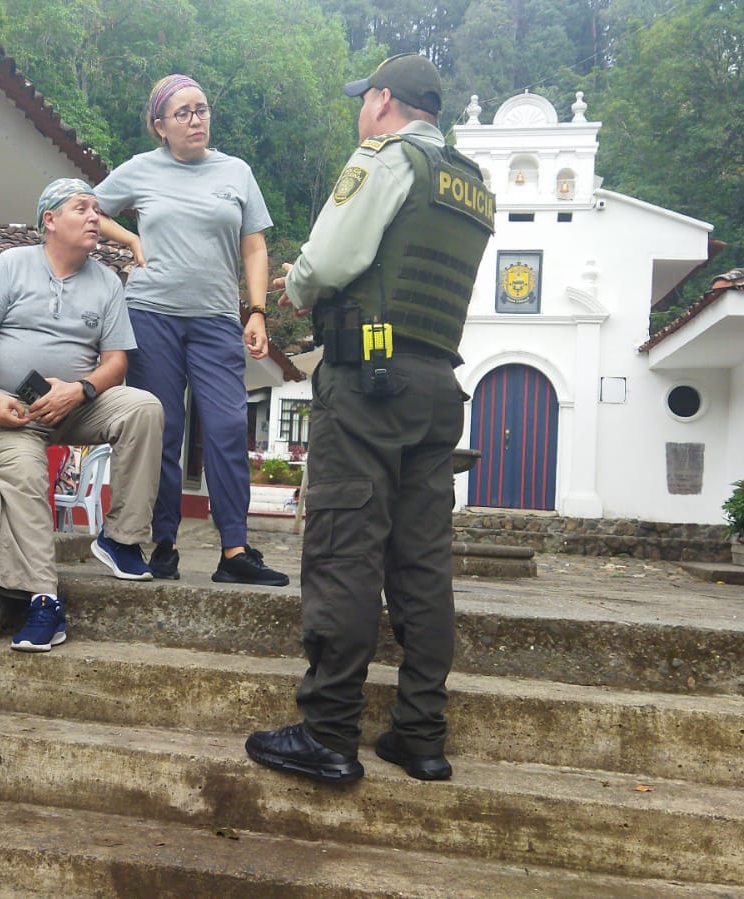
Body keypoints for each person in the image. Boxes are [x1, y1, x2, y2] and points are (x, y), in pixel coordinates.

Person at [245, 54, 495, 784]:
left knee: (343, 548)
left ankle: (327, 732)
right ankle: (419, 734)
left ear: (383, 101)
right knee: (421, 562)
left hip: (367, 378)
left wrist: (294, 284)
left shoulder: (385, 159)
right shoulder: (470, 186)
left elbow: (324, 264)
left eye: (365, 99)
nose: (362, 111)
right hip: (436, 383)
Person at [93, 75, 290, 587]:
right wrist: (130, 238)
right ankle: (162, 544)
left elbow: (254, 246)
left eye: (201, 109)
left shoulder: (236, 172)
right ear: (160, 126)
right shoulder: (141, 169)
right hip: (151, 314)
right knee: (163, 428)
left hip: (217, 319)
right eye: (182, 113)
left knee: (226, 427)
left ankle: (235, 549)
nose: (196, 119)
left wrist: (257, 310)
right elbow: (89, 208)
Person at [0, 179, 165, 653]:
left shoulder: (108, 282)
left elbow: (117, 362)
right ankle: (44, 601)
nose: (95, 218)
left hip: (77, 404)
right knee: (27, 474)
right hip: (13, 408)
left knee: (144, 408)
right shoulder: (12, 265)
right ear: (49, 220)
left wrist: (81, 388)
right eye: (81, 208)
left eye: (97, 209)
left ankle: (121, 540)